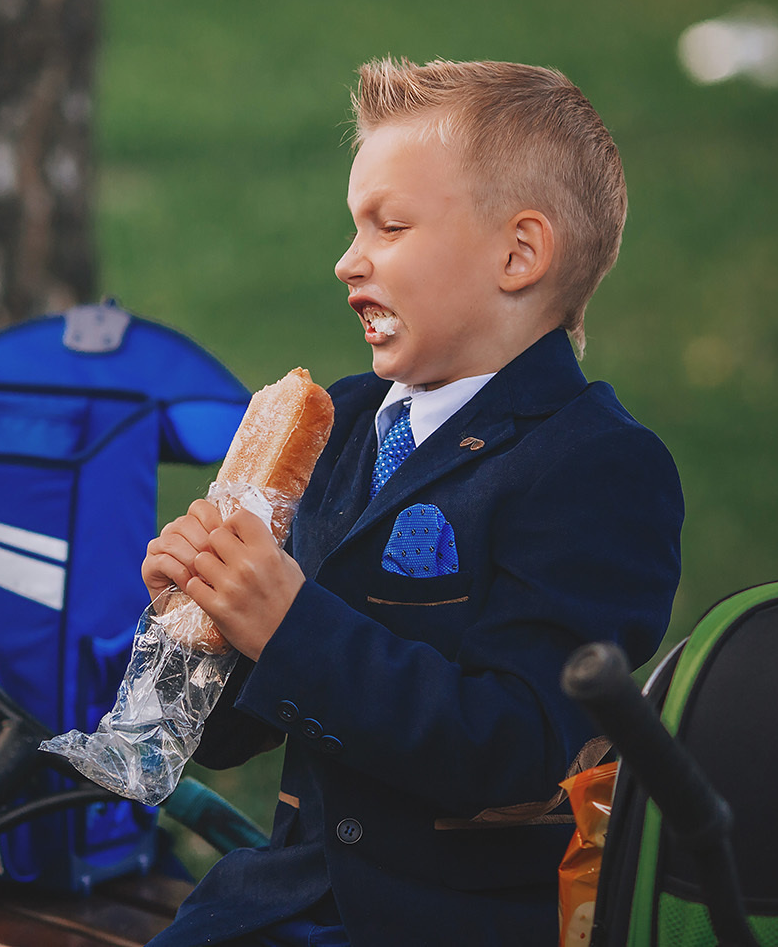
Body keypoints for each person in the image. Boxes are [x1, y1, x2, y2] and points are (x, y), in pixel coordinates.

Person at [143, 58, 683, 946]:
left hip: (459, 919)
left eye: (389, 226)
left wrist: (288, 625)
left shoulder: (596, 466)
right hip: (278, 901)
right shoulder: (341, 422)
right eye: (355, 225)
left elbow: (520, 748)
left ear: (519, 254)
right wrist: (199, 626)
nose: (347, 260)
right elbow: (225, 740)